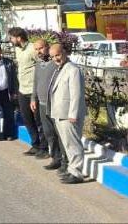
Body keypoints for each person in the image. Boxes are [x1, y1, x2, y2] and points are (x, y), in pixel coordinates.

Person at [48, 43, 87, 185]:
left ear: (64, 52)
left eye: (57, 55)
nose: (55, 59)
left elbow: (77, 95)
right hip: (60, 113)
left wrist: (73, 114)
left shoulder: (73, 70)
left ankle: (77, 173)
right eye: (52, 57)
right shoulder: (60, 69)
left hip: (69, 114)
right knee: (68, 144)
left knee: (73, 144)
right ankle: (72, 170)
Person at [12, 28, 44, 155]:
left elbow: (41, 65)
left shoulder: (32, 49)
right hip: (22, 89)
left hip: (33, 90)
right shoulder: (17, 49)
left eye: (12, 37)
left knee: (38, 119)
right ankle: (35, 144)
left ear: (19, 37)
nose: (11, 40)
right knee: (27, 119)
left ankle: (43, 147)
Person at [32, 38, 63, 167]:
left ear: (47, 47)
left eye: (41, 48)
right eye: (36, 49)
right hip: (42, 104)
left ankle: (64, 161)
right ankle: (56, 158)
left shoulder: (56, 63)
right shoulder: (39, 64)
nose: (39, 51)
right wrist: (33, 98)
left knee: (59, 133)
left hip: (55, 104)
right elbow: (36, 82)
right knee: (48, 132)